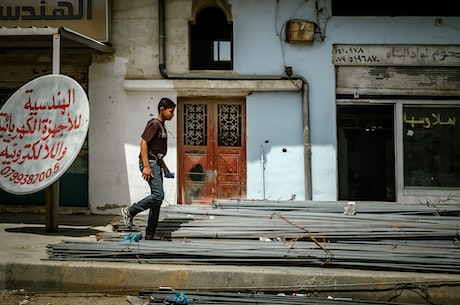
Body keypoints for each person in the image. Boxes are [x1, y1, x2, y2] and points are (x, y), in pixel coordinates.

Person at [121, 97, 176, 240]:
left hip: (155, 163)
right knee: (159, 195)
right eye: (171, 111)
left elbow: (156, 151)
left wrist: (165, 168)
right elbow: (144, 143)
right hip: (149, 163)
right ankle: (130, 211)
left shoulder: (162, 126)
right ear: (162, 110)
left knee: (156, 201)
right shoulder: (155, 124)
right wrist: (146, 166)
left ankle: (150, 233)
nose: (173, 114)